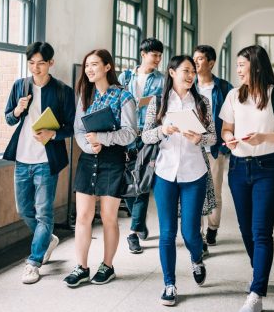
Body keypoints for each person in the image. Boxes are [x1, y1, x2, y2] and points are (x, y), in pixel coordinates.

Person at [219, 45, 274, 312]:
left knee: (261, 231)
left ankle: (256, 293)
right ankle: (259, 275)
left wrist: (264, 137)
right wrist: (228, 138)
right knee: (245, 229)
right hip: (239, 169)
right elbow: (226, 128)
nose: (238, 69)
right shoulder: (233, 95)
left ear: (255, 65)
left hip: (268, 169)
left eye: (242, 64)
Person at [141, 55, 216, 306]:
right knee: (167, 233)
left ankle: (196, 259)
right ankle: (169, 284)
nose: (190, 75)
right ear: (171, 72)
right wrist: (162, 130)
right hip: (165, 173)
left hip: (194, 173)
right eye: (185, 70)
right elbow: (145, 136)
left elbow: (213, 138)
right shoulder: (159, 101)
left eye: (192, 71)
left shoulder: (202, 102)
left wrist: (200, 139)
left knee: (190, 232)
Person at [2, 42, 75, 284]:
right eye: (31, 63)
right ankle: (48, 239)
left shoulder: (63, 91)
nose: (36, 68)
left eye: (41, 63)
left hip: (46, 161)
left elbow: (72, 127)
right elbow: (8, 119)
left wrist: (52, 134)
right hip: (22, 159)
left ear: (50, 63)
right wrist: (17, 110)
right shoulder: (19, 86)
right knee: (24, 210)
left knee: (44, 213)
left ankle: (33, 262)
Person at [63, 49, 137, 287]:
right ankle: (81, 267)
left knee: (108, 217)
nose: (89, 70)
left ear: (107, 67)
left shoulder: (124, 97)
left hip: (113, 159)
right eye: (87, 66)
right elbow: (78, 128)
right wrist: (87, 145)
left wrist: (102, 139)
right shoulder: (85, 94)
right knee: (83, 216)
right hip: (88, 158)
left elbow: (130, 133)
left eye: (94, 64)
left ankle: (108, 265)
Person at [118, 38, 165, 254]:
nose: (157, 59)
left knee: (143, 183)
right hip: (125, 135)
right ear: (143, 54)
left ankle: (134, 232)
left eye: (159, 55)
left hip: (147, 136)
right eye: (154, 55)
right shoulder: (125, 77)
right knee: (128, 184)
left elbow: (162, 105)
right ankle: (139, 221)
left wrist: (146, 103)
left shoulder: (162, 80)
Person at [193, 45, 234, 254]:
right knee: (196, 193)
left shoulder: (224, 88)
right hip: (192, 148)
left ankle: (212, 228)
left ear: (211, 63)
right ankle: (198, 235)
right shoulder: (190, 86)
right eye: (195, 59)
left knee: (215, 192)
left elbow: (231, 118)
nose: (196, 62)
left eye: (200, 59)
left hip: (215, 148)